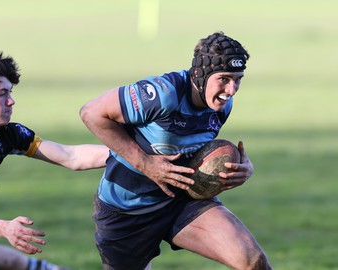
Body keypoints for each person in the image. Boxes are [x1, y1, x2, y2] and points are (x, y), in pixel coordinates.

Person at [79, 31, 273, 270]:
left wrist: (243, 167)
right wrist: (145, 163)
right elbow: (91, 113)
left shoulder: (221, 105)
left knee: (252, 260)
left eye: (238, 79)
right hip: (126, 210)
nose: (231, 89)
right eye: (224, 78)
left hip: (182, 202)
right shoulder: (162, 94)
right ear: (200, 73)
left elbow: (196, 147)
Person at [0, 51, 108, 270]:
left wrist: (131, 155)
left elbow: (71, 156)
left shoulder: (7, 134)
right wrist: (4, 228)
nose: (11, 100)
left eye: (10, 92)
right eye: (1, 94)